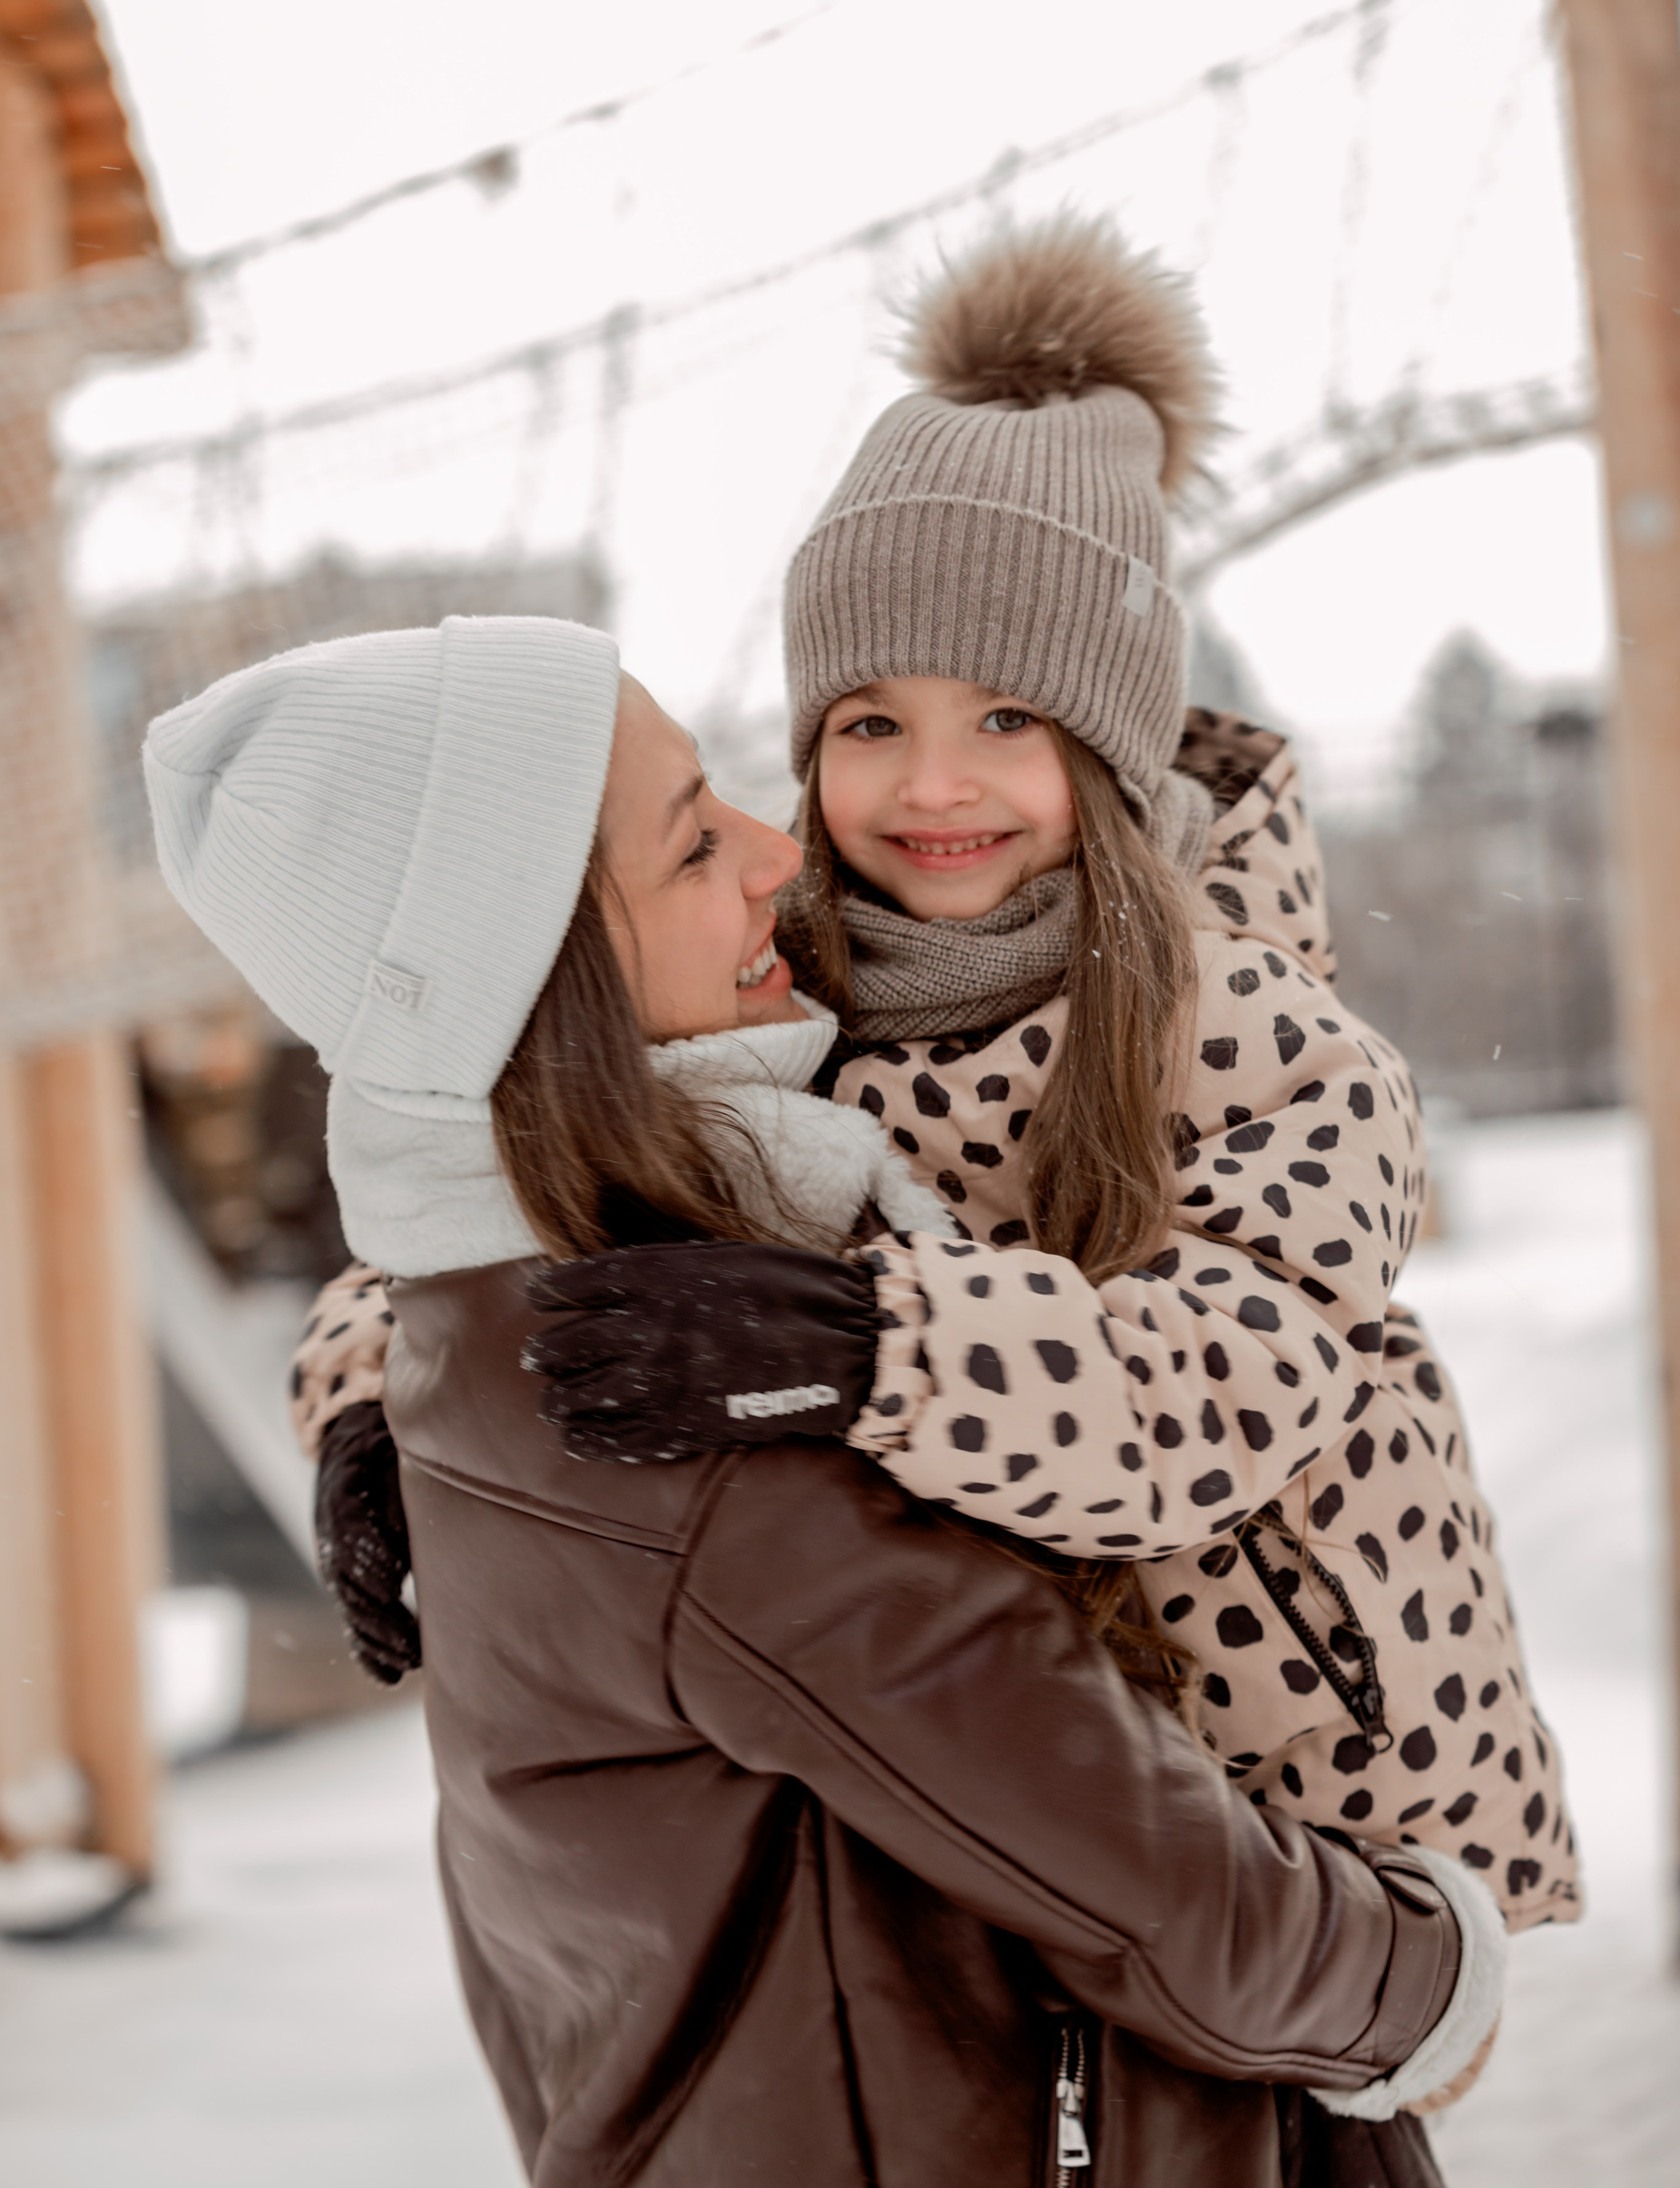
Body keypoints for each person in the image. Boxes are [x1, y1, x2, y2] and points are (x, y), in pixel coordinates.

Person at [298, 219, 1576, 1943]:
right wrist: (375, 1395)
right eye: (869, 723)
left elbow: (1219, 1394)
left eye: (1008, 719)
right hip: (1016, 1825)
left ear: (1108, 740)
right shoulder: (776, 993)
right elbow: (509, 1185)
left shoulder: (1279, 1053)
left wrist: (876, 1352)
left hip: (1337, 1821)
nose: (932, 786)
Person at [144, 614, 1502, 2183]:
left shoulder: (507, 1327)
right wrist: (1423, 1979)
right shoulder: (689, 1413)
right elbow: (1169, 1895)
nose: (772, 853)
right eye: (683, 849)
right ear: (537, 976)